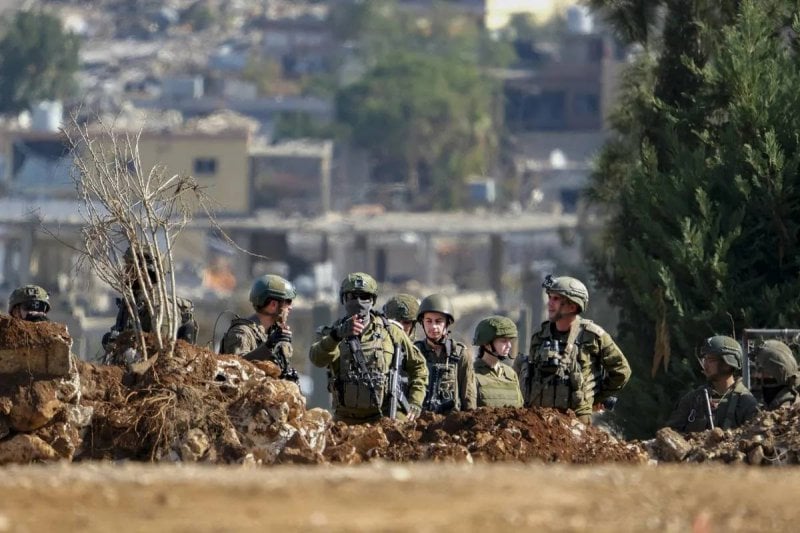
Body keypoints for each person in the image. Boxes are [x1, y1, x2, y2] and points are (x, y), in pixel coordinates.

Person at [309, 272, 428, 424]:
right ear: (343, 299)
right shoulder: (333, 332)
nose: (358, 302)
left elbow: (418, 366)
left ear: (373, 300)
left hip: (382, 419)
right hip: (345, 422)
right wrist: (336, 336)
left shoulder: (391, 331)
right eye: (352, 296)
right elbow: (317, 359)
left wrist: (415, 402)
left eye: (364, 296)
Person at [514, 275, 631, 425]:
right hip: (540, 420)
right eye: (549, 297)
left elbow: (621, 370)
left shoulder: (593, 335)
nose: (549, 303)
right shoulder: (540, 335)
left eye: (556, 299)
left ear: (572, 306)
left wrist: (597, 398)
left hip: (576, 420)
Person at [102, 246, 198, 354]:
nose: (126, 273)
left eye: (130, 269)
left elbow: (159, 352)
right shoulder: (132, 303)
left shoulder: (161, 308)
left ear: (146, 272)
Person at [665, 335, 759, 432]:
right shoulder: (694, 399)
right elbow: (671, 433)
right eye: (705, 359)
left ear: (727, 364)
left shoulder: (746, 402)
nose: (705, 365)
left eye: (711, 360)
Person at [219, 274, 298, 382]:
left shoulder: (275, 333)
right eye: (288, 301)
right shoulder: (241, 333)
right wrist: (269, 346)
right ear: (273, 305)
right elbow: (236, 368)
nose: (290, 307)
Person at [414, 293, 476, 413]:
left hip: (451, 423)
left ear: (447, 323)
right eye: (429, 321)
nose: (433, 326)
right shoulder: (414, 353)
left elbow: (468, 396)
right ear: (422, 322)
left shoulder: (460, 354)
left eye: (438, 321)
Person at [473, 315, 523, 408]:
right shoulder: (472, 374)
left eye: (510, 341)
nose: (509, 345)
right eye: (503, 341)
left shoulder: (511, 374)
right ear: (487, 343)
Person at [753, 339, 800, 411]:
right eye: (757, 370)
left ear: (779, 372)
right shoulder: (762, 397)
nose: (757, 375)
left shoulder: (790, 406)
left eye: (763, 371)